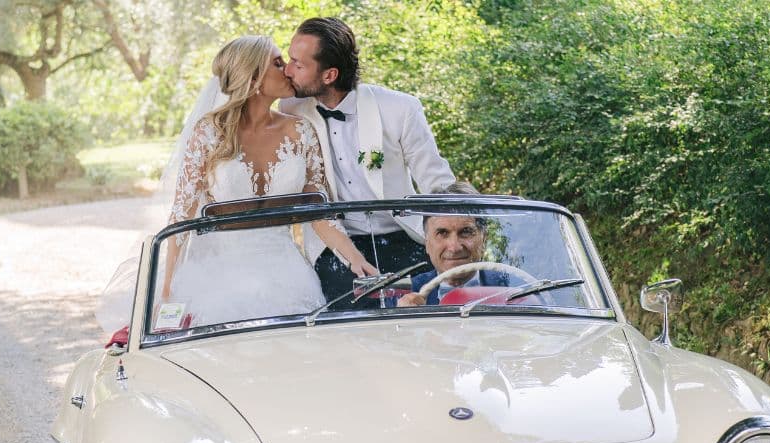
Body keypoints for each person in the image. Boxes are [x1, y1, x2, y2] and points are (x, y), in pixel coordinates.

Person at [156, 36, 377, 327]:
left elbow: (319, 212)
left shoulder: (301, 130)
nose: (287, 70)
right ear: (253, 77)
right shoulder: (209, 132)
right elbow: (181, 215)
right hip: (221, 278)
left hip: (288, 273)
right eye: (277, 63)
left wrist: (356, 261)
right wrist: (168, 290)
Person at [278, 17, 455, 305]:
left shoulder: (400, 108)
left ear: (329, 75)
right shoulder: (290, 109)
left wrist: (453, 239)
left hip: (403, 237)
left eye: (298, 64)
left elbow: (437, 182)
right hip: (334, 248)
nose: (287, 70)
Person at [397, 182, 510, 307]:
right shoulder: (402, 294)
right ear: (427, 242)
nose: (454, 247)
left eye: (466, 232)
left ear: (483, 239)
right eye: (442, 233)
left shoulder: (513, 287)